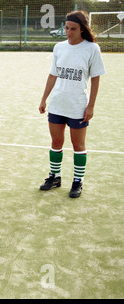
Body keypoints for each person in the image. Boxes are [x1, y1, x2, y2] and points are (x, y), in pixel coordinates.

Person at [38, 10, 105, 198]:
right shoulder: (59, 47)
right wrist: (44, 99)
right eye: (66, 28)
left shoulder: (92, 49)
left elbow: (95, 79)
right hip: (58, 103)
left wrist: (91, 105)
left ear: (82, 29)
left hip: (78, 106)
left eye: (73, 29)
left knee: (78, 145)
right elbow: (53, 75)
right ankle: (55, 177)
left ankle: (77, 181)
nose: (68, 32)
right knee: (56, 142)